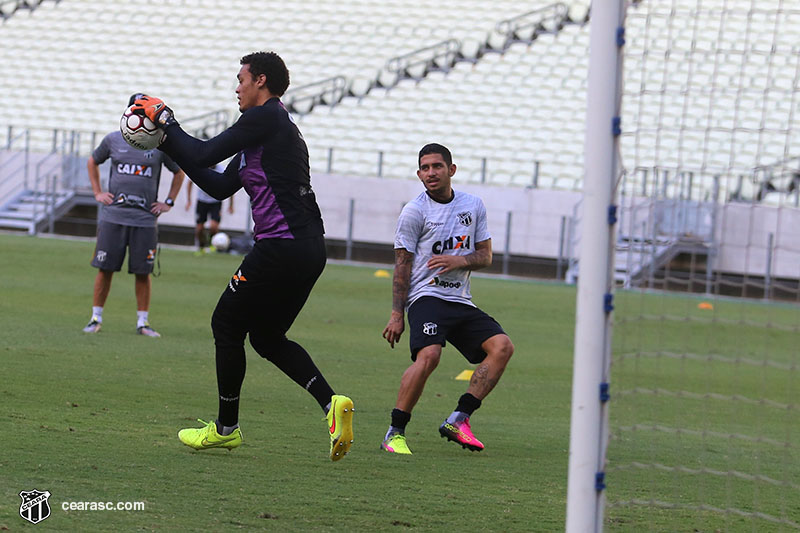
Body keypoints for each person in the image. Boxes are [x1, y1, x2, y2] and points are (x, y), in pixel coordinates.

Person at [129, 51, 354, 460]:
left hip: (281, 247)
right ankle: (331, 405)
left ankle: (226, 429)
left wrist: (166, 122)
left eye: (241, 79)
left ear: (260, 81)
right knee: (267, 338)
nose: (236, 88)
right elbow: (215, 184)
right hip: (306, 248)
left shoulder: (264, 118)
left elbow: (201, 154)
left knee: (225, 324)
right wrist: (170, 142)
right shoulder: (267, 131)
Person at [380, 143, 514, 455]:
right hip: (426, 297)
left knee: (502, 347)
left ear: (451, 170)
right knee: (430, 356)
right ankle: (394, 432)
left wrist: (460, 261)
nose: (431, 173)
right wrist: (397, 314)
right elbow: (402, 264)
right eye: (425, 168)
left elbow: (485, 256)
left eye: (436, 167)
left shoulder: (473, 205)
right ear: (418, 174)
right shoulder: (414, 212)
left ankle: (459, 419)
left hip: (461, 300)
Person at [83, 94, 185, 338]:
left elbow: (179, 172)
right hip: (113, 217)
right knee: (104, 268)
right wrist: (98, 192)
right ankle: (95, 317)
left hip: (144, 220)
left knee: (143, 272)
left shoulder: (160, 144)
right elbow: (92, 161)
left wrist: (168, 202)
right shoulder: (113, 140)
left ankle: (143, 323)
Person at [185, 166, 234, 253]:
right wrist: (189, 200)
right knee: (199, 228)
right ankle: (201, 247)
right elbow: (189, 183)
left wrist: (231, 205)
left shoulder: (221, 170)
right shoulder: (202, 167)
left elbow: (231, 186)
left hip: (215, 201)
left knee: (214, 226)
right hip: (202, 201)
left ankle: (213, 245)